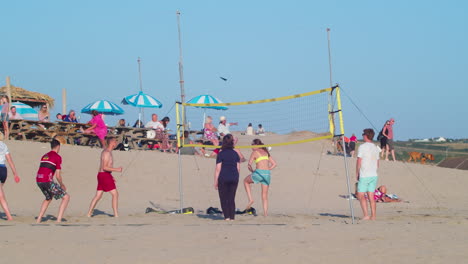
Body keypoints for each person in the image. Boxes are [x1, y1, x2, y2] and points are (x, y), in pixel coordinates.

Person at [87, 137, 123, 217]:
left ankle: (89, 213)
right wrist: (117, 169)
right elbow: (104, 167)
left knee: (98, 195)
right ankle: (116, 214)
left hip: (103, 175)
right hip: (104, 175)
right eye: (115, 142)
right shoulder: (107, 153)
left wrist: (111, 175)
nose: (116, 143)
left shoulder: (107, 152)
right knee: (115, 194)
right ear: (112, 143)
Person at [36, 139, 70, 223]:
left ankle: (39, 219)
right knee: (66, 197)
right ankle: (58, 220)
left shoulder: (44, 155)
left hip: (38, 180)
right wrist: (62, 184)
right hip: (47, 180)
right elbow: (58, 175)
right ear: (58, 147)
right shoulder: (57, 157)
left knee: (48, 197)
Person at [243, 139, 277, 216]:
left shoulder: (255, 152)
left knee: (245, 181)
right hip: (267, 174)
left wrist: (252, 171)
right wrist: (268, 169)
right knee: (264, 195)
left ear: (256, 145)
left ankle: (251, 199)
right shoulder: (266, 152)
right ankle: (265, 214)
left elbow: (249, 165)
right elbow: (274, 164)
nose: (251, 147)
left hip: (259, 172)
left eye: (252, 145)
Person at [356, 128, 381, 220]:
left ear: (366, 136)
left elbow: (359, 161)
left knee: (361, 195)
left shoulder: (362, 147)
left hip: (365, 174)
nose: (362, 135)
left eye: (363, 134)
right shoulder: (375, 147)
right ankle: (373, 216)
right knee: (371, 196)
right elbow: (378, 163)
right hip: (373, 174)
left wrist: (357, 172)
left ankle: (366, 215)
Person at [214, 134, 240, 221]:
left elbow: (218, 169)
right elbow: (238, 168)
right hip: (234, 177)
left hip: (223, 177)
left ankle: (227, 217)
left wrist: (215, 181)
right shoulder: (235, 153)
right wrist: (236, 178)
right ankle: (232, 217)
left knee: (224, 198)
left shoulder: (221, 154)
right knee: (231, 198)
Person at [0, 132, 20, 220]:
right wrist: (15, 173)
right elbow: (9, 160)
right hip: (3, 170)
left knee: (0, 195)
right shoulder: (4, 145)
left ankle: (9, 216)